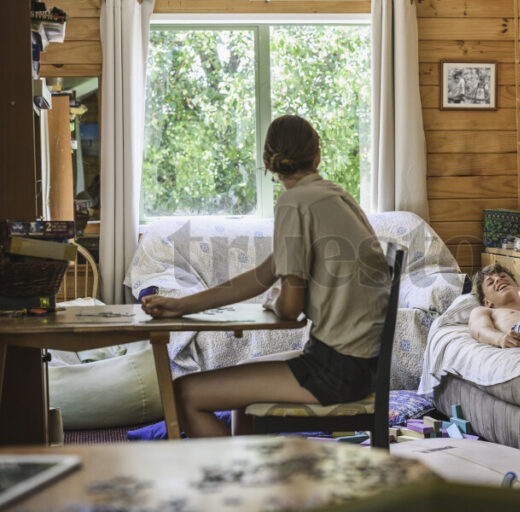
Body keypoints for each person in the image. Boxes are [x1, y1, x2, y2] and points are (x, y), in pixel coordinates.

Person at [141, 115, 390, 438]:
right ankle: (250, 474)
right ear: (317, 155)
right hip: (359, 363)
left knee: (183, 394)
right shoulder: (332, 195)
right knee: (241, 380)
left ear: (268, 162)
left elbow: (289, 307)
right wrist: (181, 305)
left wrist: (275, 303)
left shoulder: (294, 203)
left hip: (337, 369)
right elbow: (262, 275)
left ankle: (242, 482)